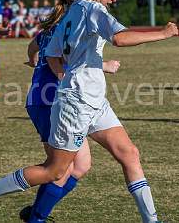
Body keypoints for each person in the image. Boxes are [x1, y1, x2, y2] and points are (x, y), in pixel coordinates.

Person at [0, 0, 178, 222]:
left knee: (129, 154)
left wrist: (72, 76)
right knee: (55, 171)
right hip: (77, 103)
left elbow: (52, 54)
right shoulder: (93, 9)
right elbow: (120, 39)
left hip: (93, 100)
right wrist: (164, 33)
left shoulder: (73, 9)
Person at [20, 17, 121, 222]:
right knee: (58, 169)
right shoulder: (68, 30)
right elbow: (72, 62)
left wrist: (33, 60)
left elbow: (32, 47)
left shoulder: (51, 31)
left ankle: (37, 212)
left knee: (81, 165)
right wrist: (104, 65)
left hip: (52, 101)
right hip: (49, 101)